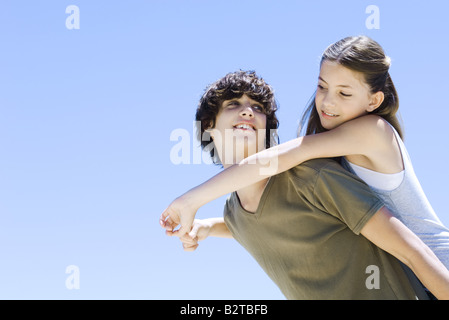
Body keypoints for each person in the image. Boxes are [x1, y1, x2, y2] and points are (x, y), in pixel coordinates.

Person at [160, 36, 449, 271]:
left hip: (438, 266)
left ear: (374, 100)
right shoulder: (332, 141)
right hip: (412, 272)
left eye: (344, 93)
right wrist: (210, 226)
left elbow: (277, 160)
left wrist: (191, 199)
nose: (327, 101)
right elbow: (271, 217)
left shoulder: (373, 130)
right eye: (322, 87)